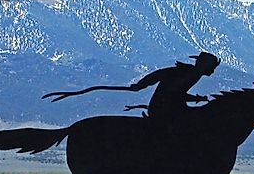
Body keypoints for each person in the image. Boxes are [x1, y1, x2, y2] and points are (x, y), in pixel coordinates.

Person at [42, 52, 221, 122]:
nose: (213, 72)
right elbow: (174, 93)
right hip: (165, 109)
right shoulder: (190, 74)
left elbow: (159, 76)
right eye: (212, 68)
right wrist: (196, 98)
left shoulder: (188, 72)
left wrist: (140, 86)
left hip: (168, 106)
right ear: (205, 65)